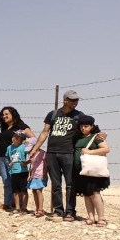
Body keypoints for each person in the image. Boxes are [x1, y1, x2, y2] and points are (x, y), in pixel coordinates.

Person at [28, 90, 88, 222]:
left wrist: (99, 136)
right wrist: (35, 149)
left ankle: (70, 212)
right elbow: (44, 132)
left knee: (70, 184)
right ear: (65, 100)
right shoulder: (53, 114)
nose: (75, 103)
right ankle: (58, 210)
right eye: (72, 100)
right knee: (56, 184)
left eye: (76, 100)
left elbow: (87, 129)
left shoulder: (79, 116)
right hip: (52, 153)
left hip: (69, 153)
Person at [0, 107, 34, 211]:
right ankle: (8, 203)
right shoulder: (5, 128)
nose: (4, 116)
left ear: (13, 114)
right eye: (3, 115)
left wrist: (26, 146)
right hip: (2, 157)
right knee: (6, 180)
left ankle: (20, 205)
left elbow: (32, 138)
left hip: (15, 159)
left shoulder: (21, 126)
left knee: (17, 180)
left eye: (7, 114)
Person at [75, 115, 110, 226]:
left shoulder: (96, 137)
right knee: (86, 194)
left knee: (95, 194)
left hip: (94, 171)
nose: (83, 128)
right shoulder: (78, 137)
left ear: (92, 126)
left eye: (86, 126)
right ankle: (90, 216)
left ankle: (101, 217)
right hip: (83, 171)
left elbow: (106, 149)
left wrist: (89, 152)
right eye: (81, 126)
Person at [6, 131, 29, 214]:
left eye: (17, 137)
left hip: (23, 171)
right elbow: (8, 157)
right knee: (16, 191)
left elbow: (32, 148)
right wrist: (9, 163)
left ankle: (24, 208)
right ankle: (17, 208)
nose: (14, 138)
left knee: (24, 190)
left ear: (21, 139)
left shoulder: (23, 147)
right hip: (14, 172)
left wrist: (27, 162)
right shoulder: (9, 148)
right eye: (13, 136)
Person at [26, 137, 47, 217]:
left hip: (40, 175)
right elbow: (32, 165)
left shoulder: (42, 153)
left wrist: (45, 173)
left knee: (39, 191)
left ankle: (41, 208)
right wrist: (29, 175)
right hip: (33, 175)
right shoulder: (31, 154)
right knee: (34, 191)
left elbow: (46, 164)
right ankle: (37, 207)